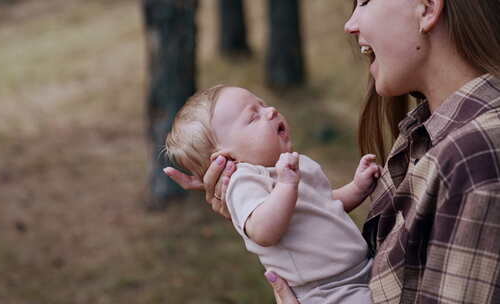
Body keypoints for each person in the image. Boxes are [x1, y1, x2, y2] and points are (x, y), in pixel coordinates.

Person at [164, 0, 500, 302]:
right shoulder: (423, 129)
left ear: (427, 7)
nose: (350, 24)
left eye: (364, 1)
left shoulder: (474, 157)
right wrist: (250, 205)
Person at [165, 85, 380, 303]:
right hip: (325, 292)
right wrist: (286, 184)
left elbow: (323, 205)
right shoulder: (244, 181)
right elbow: (263, 231)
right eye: (253, 117)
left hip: (358, 270)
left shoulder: (290, 166)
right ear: (228, 158)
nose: (271, 111)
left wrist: (356, 188)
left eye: (263, 104)